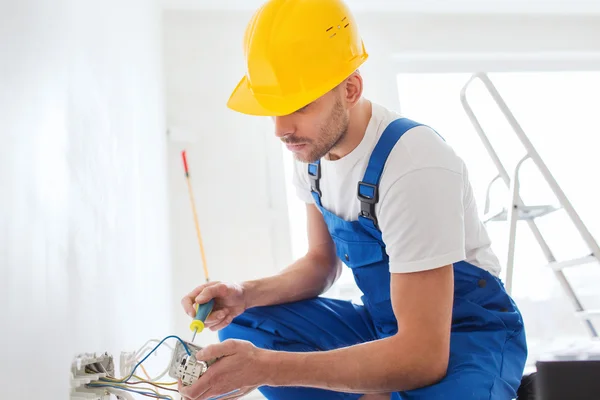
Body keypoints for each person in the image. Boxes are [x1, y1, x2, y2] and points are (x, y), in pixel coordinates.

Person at [179, 0, 527, 399]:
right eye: (272, 108)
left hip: (460, 334)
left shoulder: (414, 164)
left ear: (350, 89)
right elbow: (319, 265)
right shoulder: (310, 153)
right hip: (385, 325)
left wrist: (267, 368)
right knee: (246, 323)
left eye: (299, 105)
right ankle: (377, 383)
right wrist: (244, 293)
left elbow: (424, 356)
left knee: (269, 359)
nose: (281, 129)